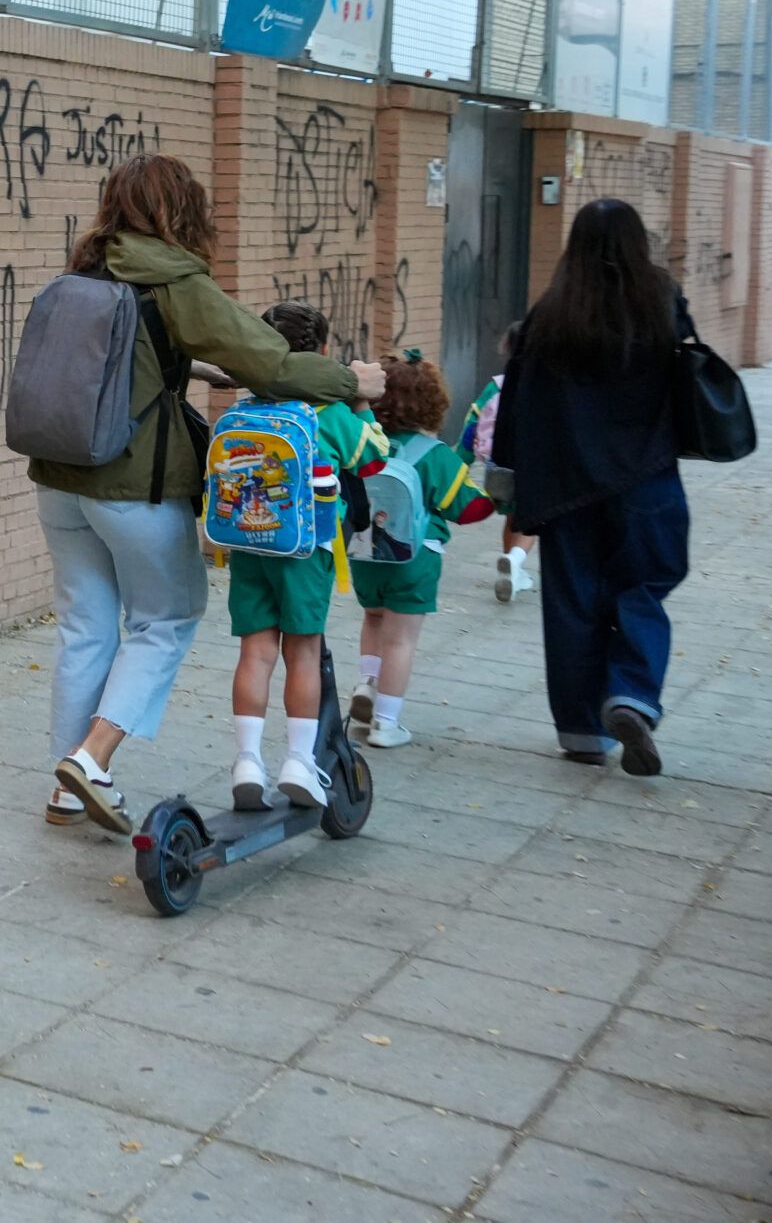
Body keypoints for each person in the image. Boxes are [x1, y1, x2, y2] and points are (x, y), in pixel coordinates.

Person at [29, 155, 384, 834]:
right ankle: (92, 757)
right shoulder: (173, 277)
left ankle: (69, 789)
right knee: (166, 618)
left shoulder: (84, 272)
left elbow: (120, 356)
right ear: (180, 210)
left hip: (59, 481)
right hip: (132, 485)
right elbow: (270, 360)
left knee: (85, 627)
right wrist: (352, 382)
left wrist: (188, 364)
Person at [493, 199, 690, 775]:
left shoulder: (551, 313)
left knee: (571, 601)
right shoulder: (660, 301)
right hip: (646, 479)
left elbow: (518, 399)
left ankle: (581, 731)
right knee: (644, 586)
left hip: (567, 486)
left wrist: (507, 472)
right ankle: (631, 694)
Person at [226, 303, 389, 809]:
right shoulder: (330, 413)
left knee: (255, 652)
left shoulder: (248, 409)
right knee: (303, 652)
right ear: (322, 352)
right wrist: (362, 404)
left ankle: (247, 761)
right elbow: (375, 457)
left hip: (249, 545)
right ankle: (298, 761)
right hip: (305, 550)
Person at [350, 351, 497, 747]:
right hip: (414, 559)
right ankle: (386, 724)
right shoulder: (435, 456)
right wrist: (500, 497)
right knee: (400, 640)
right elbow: (468, 509)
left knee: (373, 620)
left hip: (363, 553)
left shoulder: (362, 442)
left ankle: (367, 682)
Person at [459, 331, 537, 602]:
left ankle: (512, 572)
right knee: (530, 521)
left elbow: (473, 424)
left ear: (506, 348)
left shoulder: (497, 386)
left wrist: (460, 463)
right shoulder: (547, 385)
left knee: (511, 517)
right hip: (534, 467)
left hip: (499, 467)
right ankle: (515, 561)